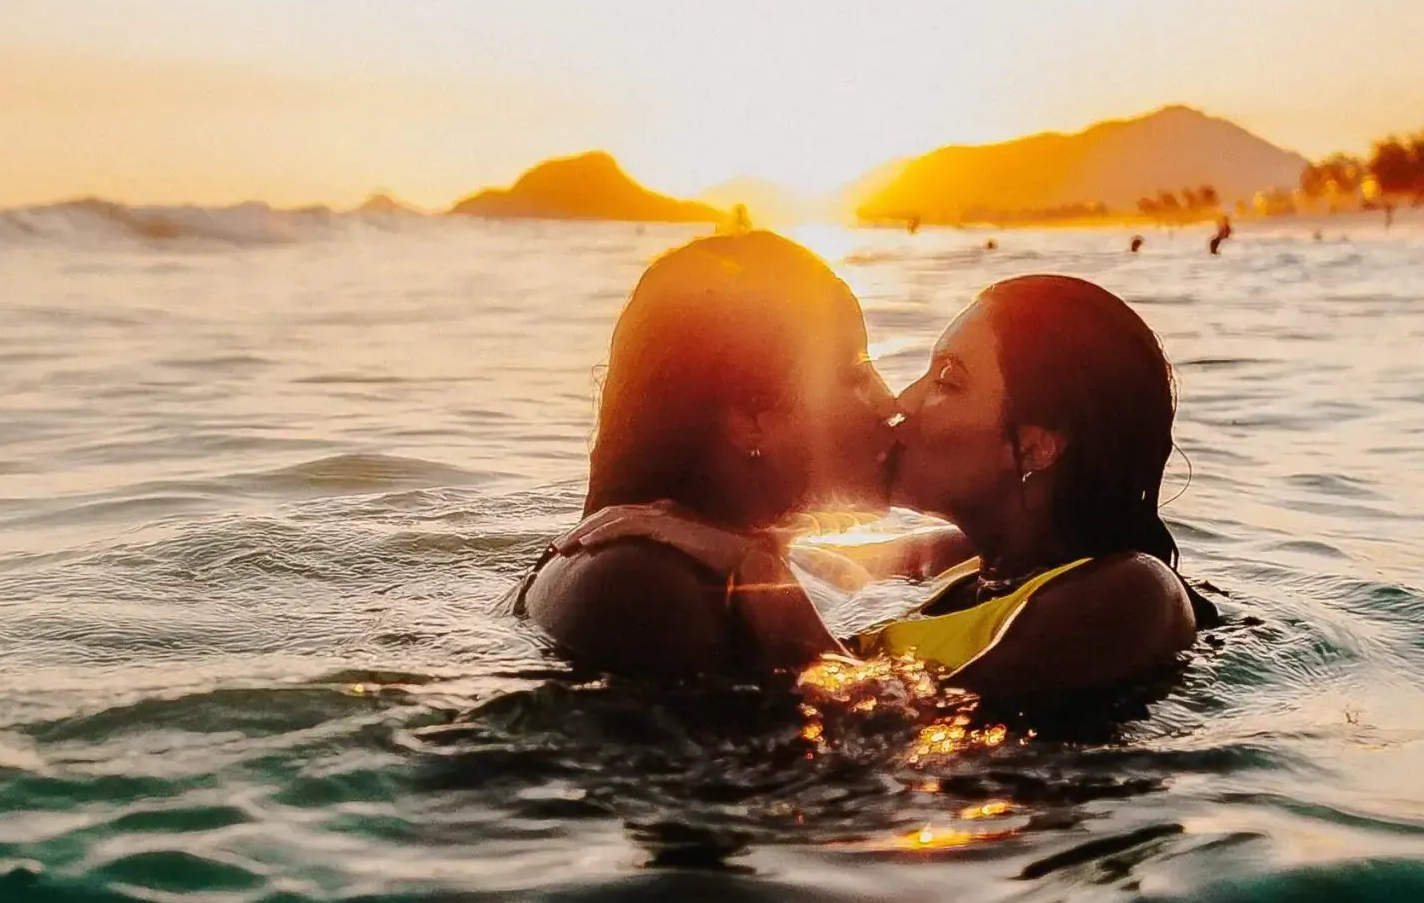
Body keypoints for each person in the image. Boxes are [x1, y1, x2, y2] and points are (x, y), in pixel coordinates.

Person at [558, 275, 1211, 700]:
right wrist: (701, 524)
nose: (903, 401)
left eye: (949, 381)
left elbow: (906, 737)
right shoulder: (959, 557)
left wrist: (753, 570)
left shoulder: (1132, 596)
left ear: (1038, 444)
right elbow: (824, 564)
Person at [515, 232, 896, 675]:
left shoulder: (744, 557)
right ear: (751, 417)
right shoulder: (648, 588)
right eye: (856, 374)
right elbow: (868, 735)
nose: (889, 402)